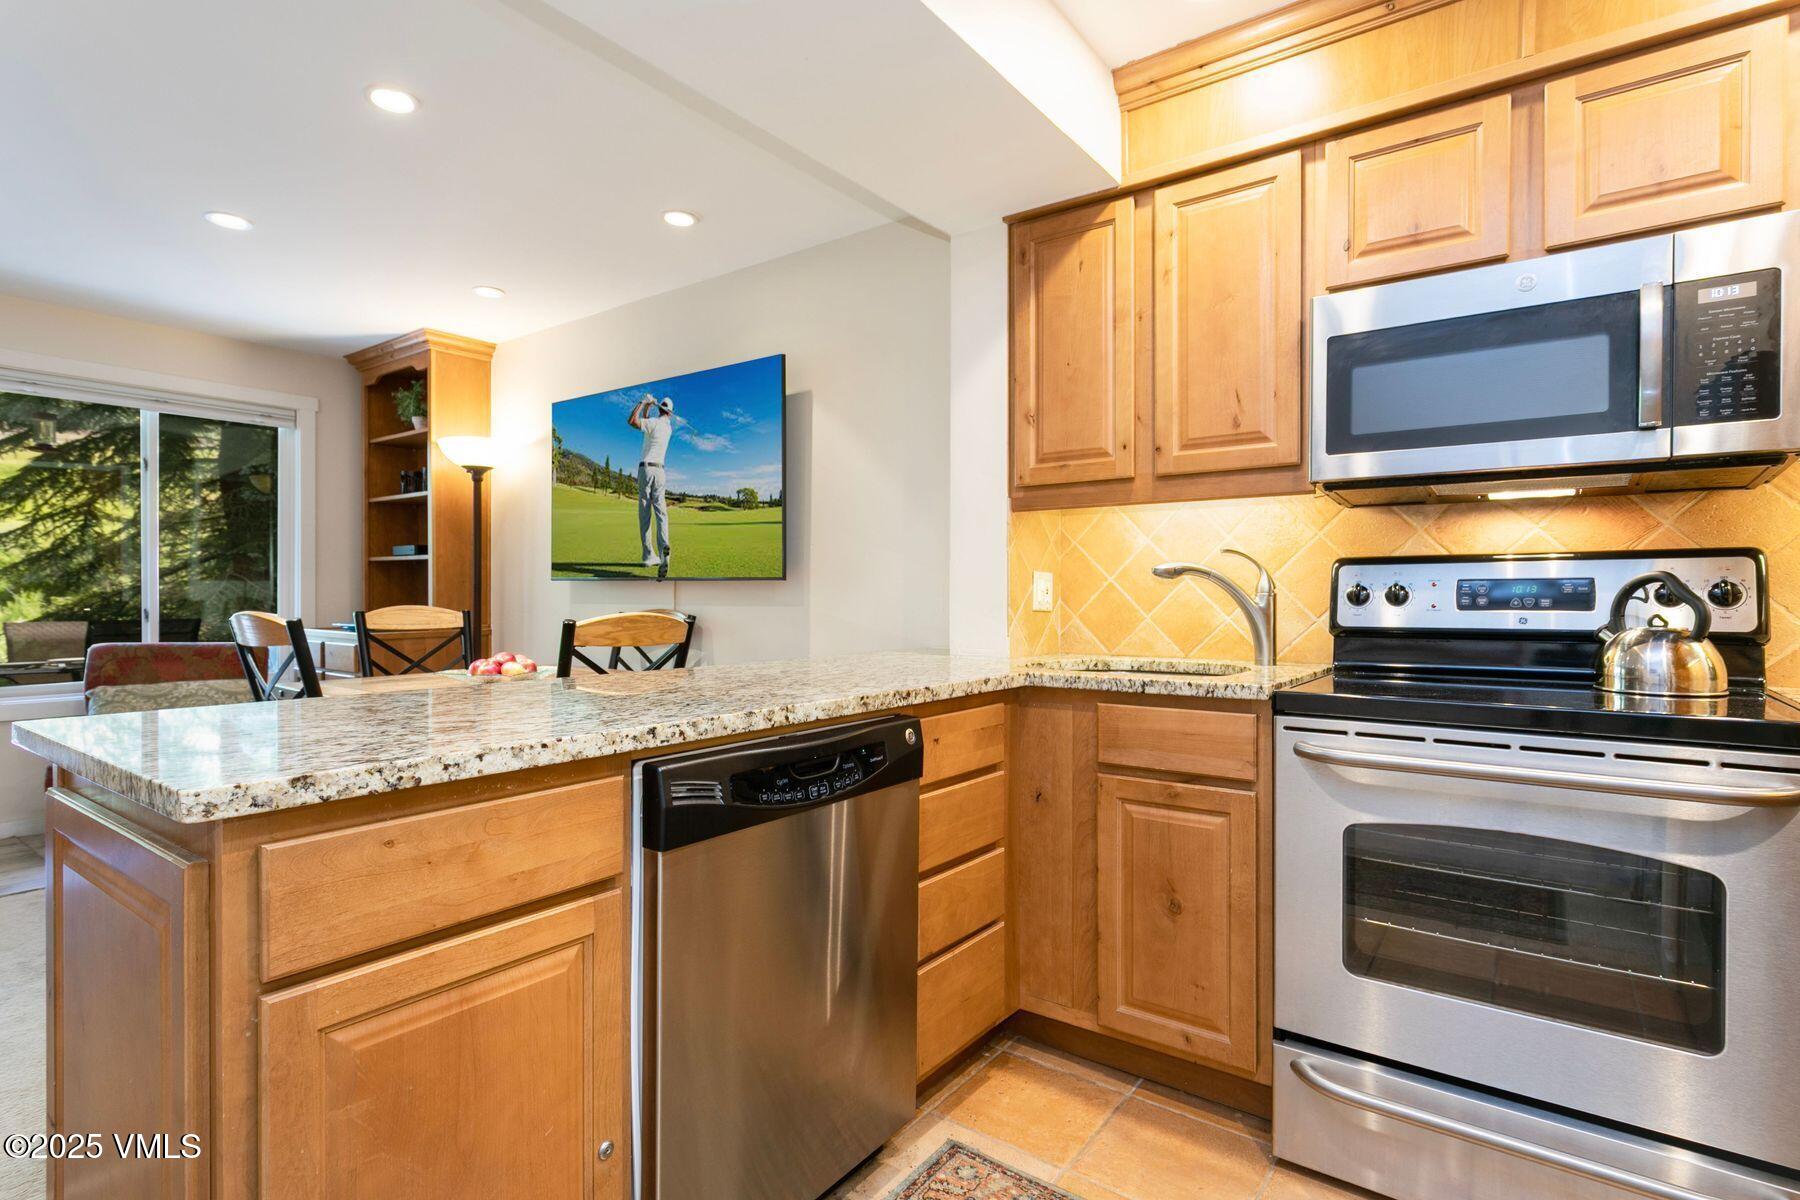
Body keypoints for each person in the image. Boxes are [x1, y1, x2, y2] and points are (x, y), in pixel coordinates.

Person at [627, 395, 674, 579]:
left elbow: (632, 421)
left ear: (659, 408)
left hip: (646, 470)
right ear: (669, 413)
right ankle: (663, 552)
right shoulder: (667, 427)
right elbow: (646, 421)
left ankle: (648, 555)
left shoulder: (653, 423)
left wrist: (642, 401)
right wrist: (649, 407)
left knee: (645, 515)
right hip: (660, 472)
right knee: (661, 514)